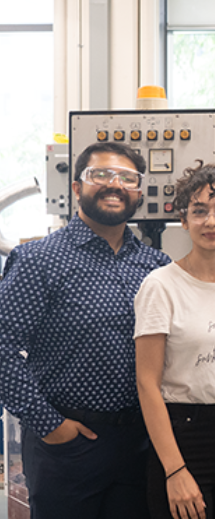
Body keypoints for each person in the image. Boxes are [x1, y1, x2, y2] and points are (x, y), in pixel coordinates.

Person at [0, 142, 170, 519]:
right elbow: (3, 350)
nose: (115, 184)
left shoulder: (156, 266)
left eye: (128, 178)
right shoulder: (38, 261)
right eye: (101, 175)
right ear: (76, 188)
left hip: (140, 443)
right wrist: (50, 425)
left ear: (139, 193)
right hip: (67, 444)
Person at [134, 161, 215, 519]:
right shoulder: (161, 286)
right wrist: (174, 470)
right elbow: (147, 383)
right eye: (199, 211)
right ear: (183, 219)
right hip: (184, 433)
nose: (211, 221)